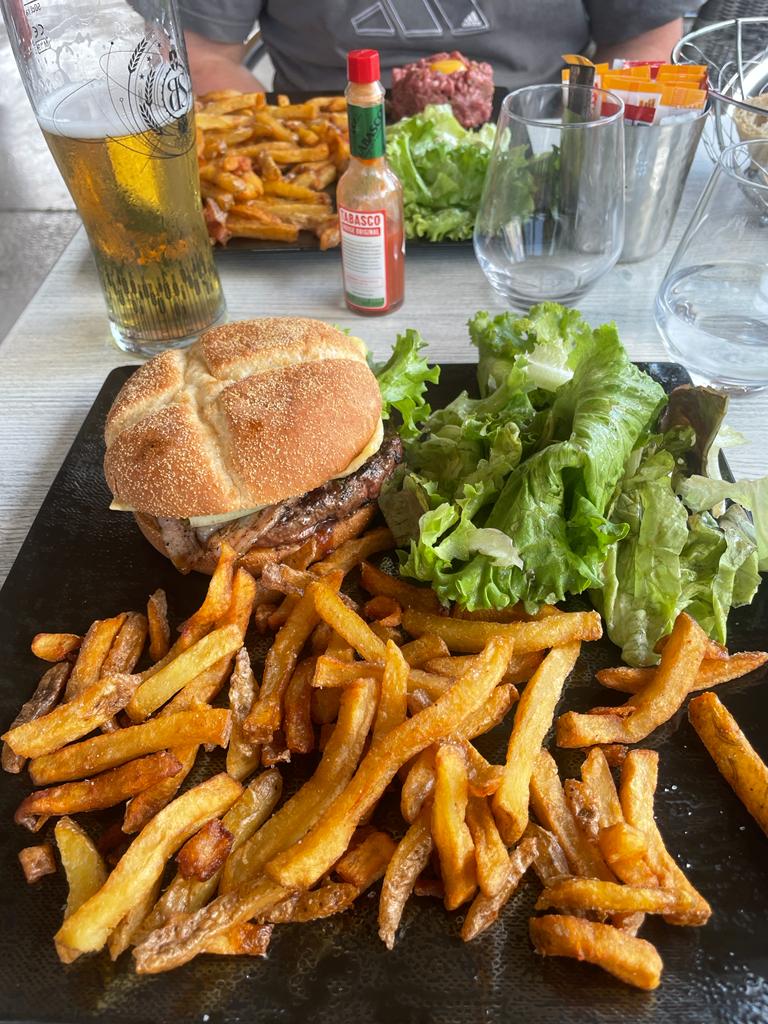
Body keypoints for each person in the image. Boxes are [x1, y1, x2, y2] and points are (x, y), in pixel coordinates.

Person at [178, 1, 700, 95]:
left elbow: (642, 38)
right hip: (326, 148)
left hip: (541, 139)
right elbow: (200, 54)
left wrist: (583, 147)